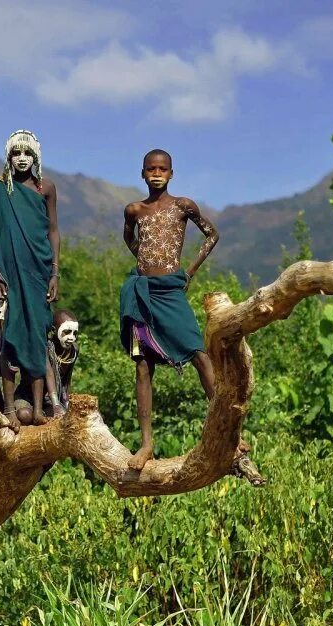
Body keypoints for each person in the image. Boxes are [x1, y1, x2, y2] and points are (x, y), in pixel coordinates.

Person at [120, 149, 220, 471]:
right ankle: (147, 444)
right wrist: (144, 261)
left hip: (171, 293)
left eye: (163, 169)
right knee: (142, 366)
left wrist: (187, 273)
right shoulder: (134, 210)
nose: (157, 173)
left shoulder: (183, 206)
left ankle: (227, 430)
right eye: (151, 169)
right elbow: (129, 238)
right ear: (143, 173)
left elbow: (212, 235)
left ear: (171, 174)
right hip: (141, 296)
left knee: (199, 353)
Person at [0, 129, 59, 427]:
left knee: (38, 335)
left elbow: (53, 231)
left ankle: (40, 409)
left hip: (40, 272)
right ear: (9, 157)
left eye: (28, 153)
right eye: (17, 153)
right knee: (10, 338)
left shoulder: (47, 188)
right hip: (11, 274)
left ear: (36, 156)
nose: (22, 159)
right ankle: (10, 409)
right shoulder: (0, 190)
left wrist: (55, 272)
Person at [46, 309, 80, 416]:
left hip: (57, 400)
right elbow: (48, 374)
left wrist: (67, 403)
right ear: (54, 330)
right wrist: (56, 404)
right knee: (25, 414)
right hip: (35, 399)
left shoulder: (73, 350)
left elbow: (66, 382)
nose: (71, 337)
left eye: (75, 333)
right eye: (67, 332)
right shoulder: (46, 347)